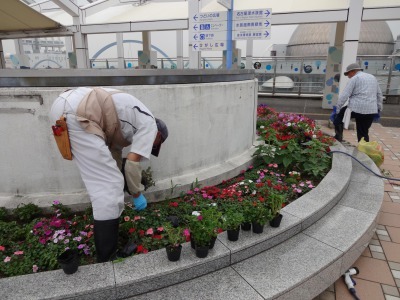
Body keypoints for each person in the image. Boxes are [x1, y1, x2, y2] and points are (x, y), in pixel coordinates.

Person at [49, 87, 168, 262]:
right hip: (79, 113)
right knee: (108, 187)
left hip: (65, 107)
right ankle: (107, 258)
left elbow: (116, 158)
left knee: (109, 182)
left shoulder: (125, 126)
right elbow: (132, 164)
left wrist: (121, 181)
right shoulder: (150, 124)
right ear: (158, 135)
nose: (154, 145)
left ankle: (108, 238)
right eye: (158, 142)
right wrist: (136, 194)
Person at [334, 63, 383, 142]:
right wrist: (379, 108)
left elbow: (344, 95)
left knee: (338, 118)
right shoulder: (372, 77)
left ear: (353, 71)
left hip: (356, 108)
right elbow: (379, 94)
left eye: (348, 74)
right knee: (363, 132)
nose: (348, 76)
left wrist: (337, 109)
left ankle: (338, 138)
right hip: (371, 110)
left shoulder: (355, 78)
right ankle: (364, 151)